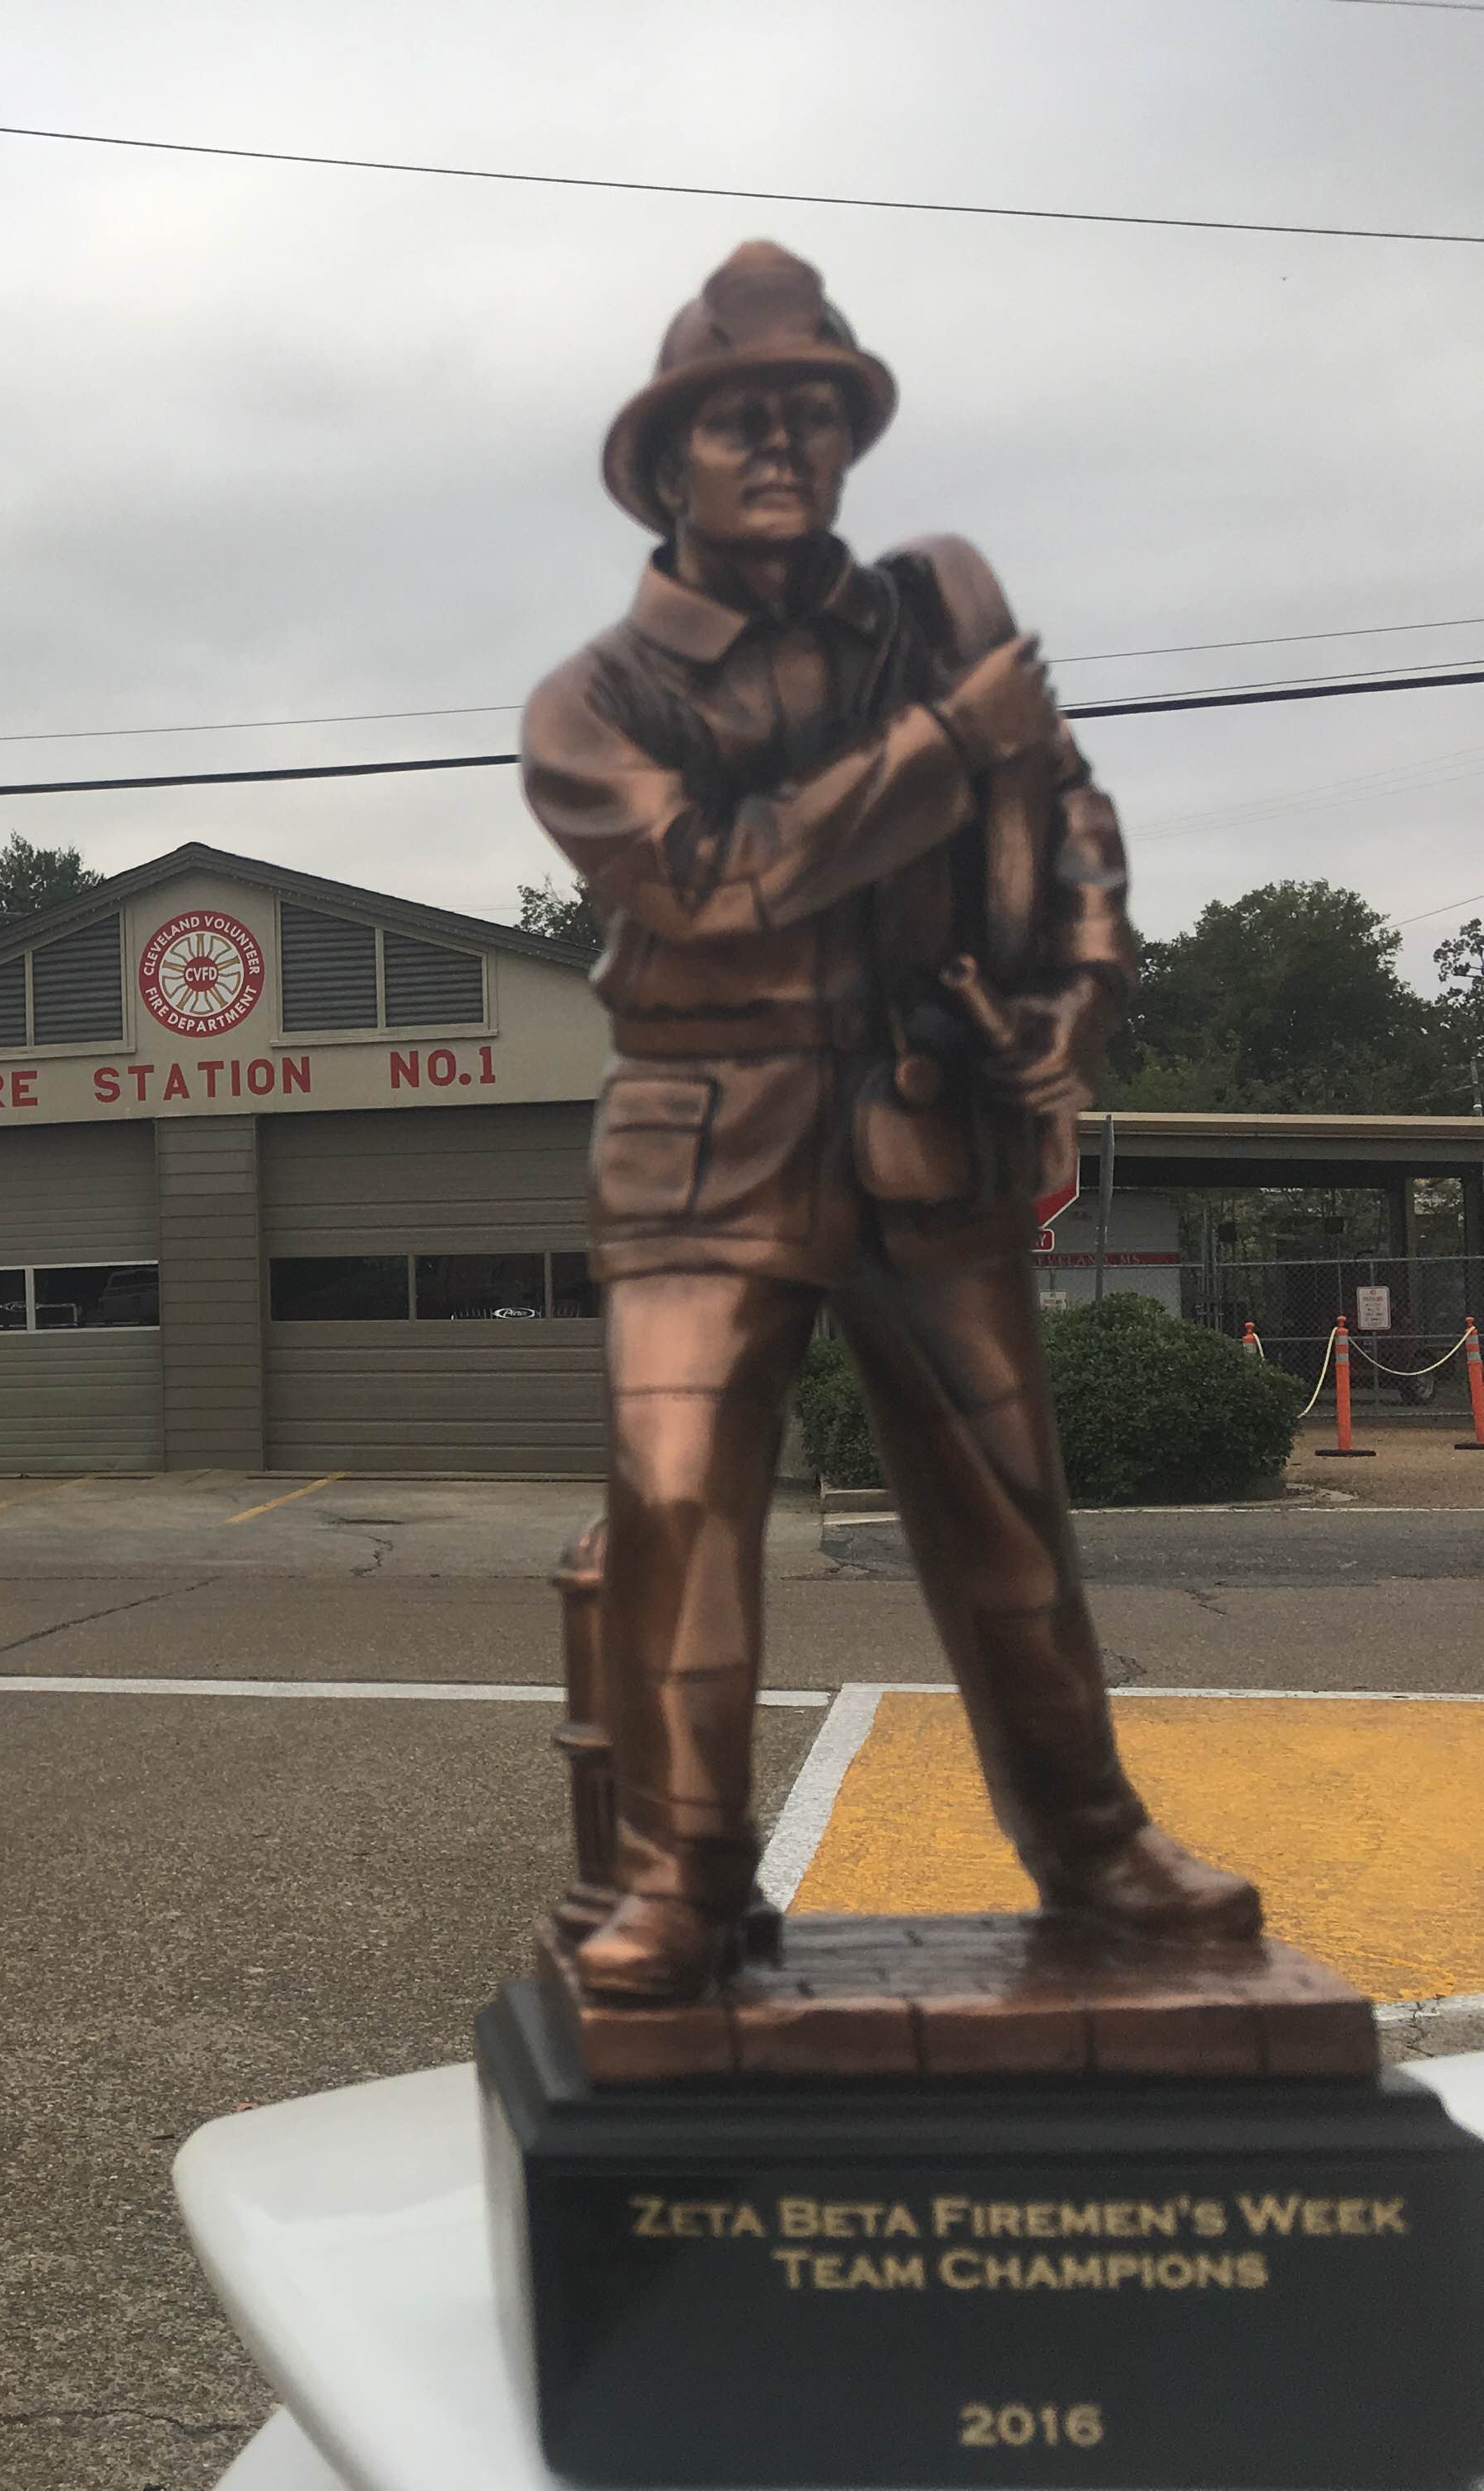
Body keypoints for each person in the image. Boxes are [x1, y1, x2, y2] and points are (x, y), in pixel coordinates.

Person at [520, 240, 1258, 2003]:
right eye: (742, 419)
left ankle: (1093, 1845)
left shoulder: (943, 622)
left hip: (930, 1118)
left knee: (1012, 1511)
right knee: (680, 1500)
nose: (786, 445)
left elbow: (1069, 830)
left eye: (816, 415)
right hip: (709, 1129)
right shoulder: (593, 705)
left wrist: (1066, 1021)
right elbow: (718, 885)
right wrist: (941, 745)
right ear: (664, 460)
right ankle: (683, 1882)